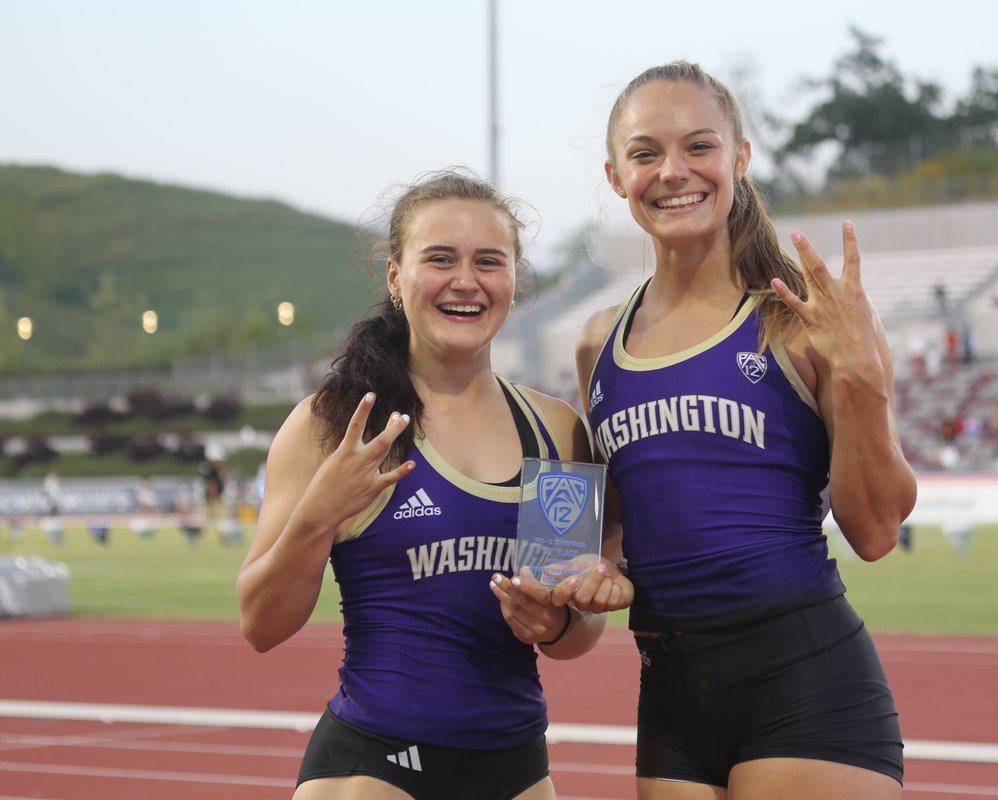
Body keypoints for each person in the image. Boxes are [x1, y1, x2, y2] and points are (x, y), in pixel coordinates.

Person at [575, 62, 918, 799]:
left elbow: (876, 531)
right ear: (615, 176)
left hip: (804, 682)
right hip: (670, 697)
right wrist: (584, 574)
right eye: (645, 154)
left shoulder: (806, 321)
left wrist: (863, 379)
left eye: (699, 146)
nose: (673, 172)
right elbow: (615, 526)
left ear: (740, 158)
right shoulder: (598, 342)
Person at [237, 170, 632, 800]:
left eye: (488, 261)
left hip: (517, 769)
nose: (465, 281)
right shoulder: (333, 424)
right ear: (396, 277)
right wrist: (317, 516)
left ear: (514, 280)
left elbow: (573, 634)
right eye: (440, 259)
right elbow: (261, 624)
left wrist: (556, 623)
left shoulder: (556, 430)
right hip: (375, 768)